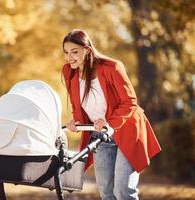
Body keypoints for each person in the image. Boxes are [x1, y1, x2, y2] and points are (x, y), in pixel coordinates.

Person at [62, 29, 161, 200]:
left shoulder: (112, 67)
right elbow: (78, 106)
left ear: (87, 49)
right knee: (106, 193)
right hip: (100, 135)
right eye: (66, 52)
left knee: (123, 191)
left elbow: (129, 102)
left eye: (74, 52)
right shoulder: (69, 72)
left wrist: (109, 123)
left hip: (126, 130)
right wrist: (76, 122)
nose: (69, 57)